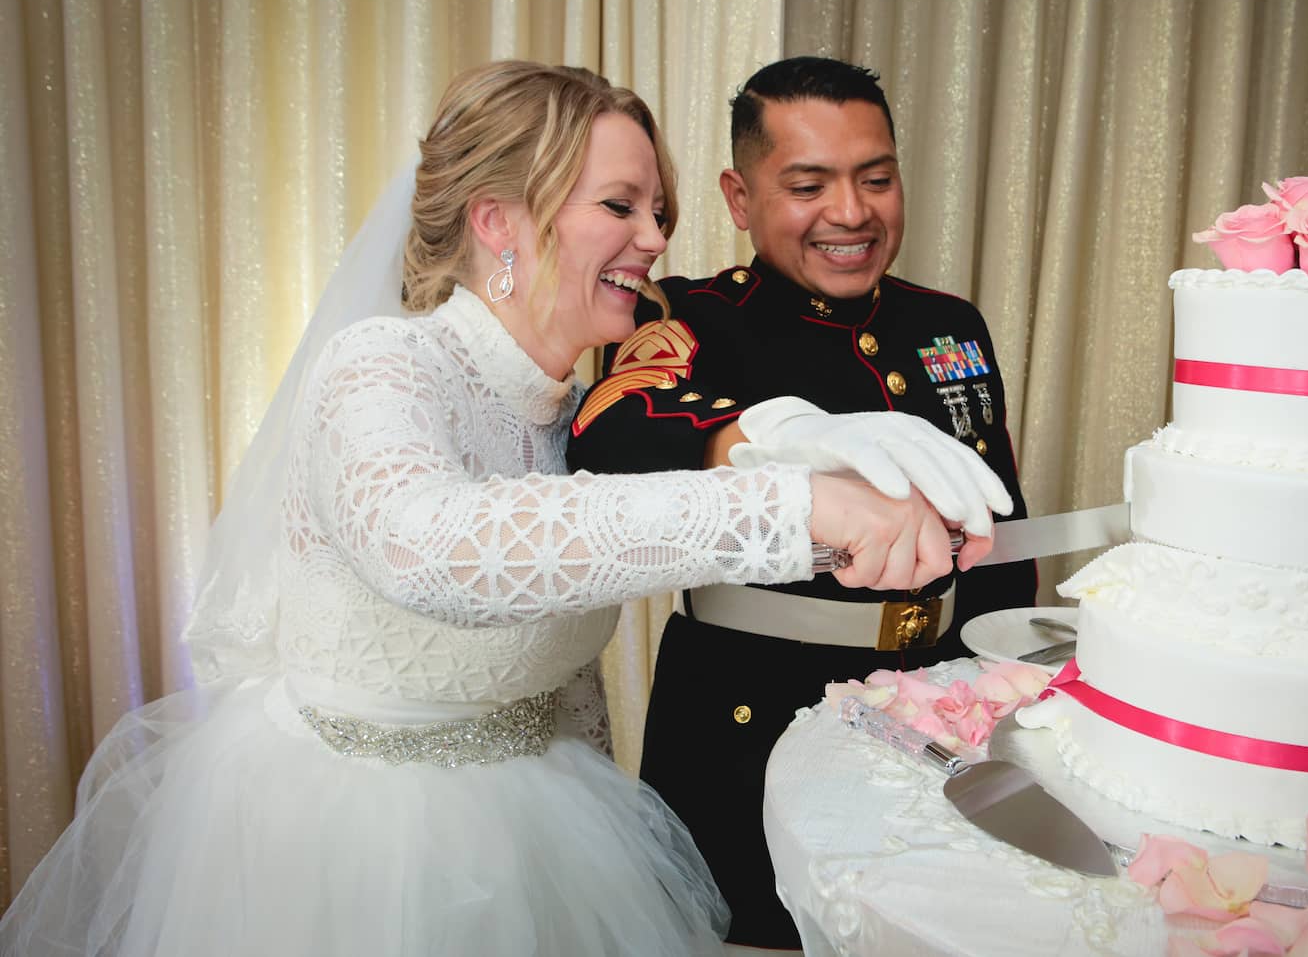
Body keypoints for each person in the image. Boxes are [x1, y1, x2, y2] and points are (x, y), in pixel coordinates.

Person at [0, 61, 1008, 957]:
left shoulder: (570, 410)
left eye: (657, 209)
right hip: (349, 853)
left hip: (540, 837)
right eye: (621, 204)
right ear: (499, 222)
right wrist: (792, 501)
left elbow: (561, 678)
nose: (655, 239)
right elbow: (433, 549)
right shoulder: (382, 365)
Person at [566, 55, 1038, 949]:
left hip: (937, 719)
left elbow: (998, 541)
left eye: (876, 179)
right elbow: (609, 429)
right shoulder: (689, 313)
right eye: (809, 184)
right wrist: (777, 439)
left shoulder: (949, 327)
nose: (851, 213)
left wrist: (1008, 710)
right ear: (740, 198)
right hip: (742, 723)